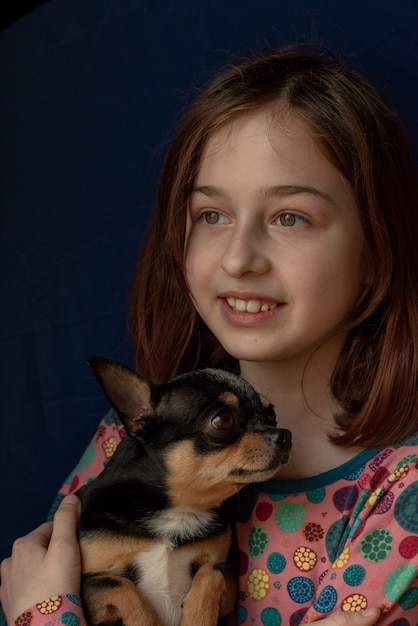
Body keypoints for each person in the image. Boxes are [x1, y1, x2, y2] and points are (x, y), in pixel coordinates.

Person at [1, 44, 418, 625]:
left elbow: (38, 603)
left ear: (377, 248)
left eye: (289, 217)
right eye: (211, 215)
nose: (238, 259)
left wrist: (42, 614)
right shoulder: (128, 442)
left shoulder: (403, 494)